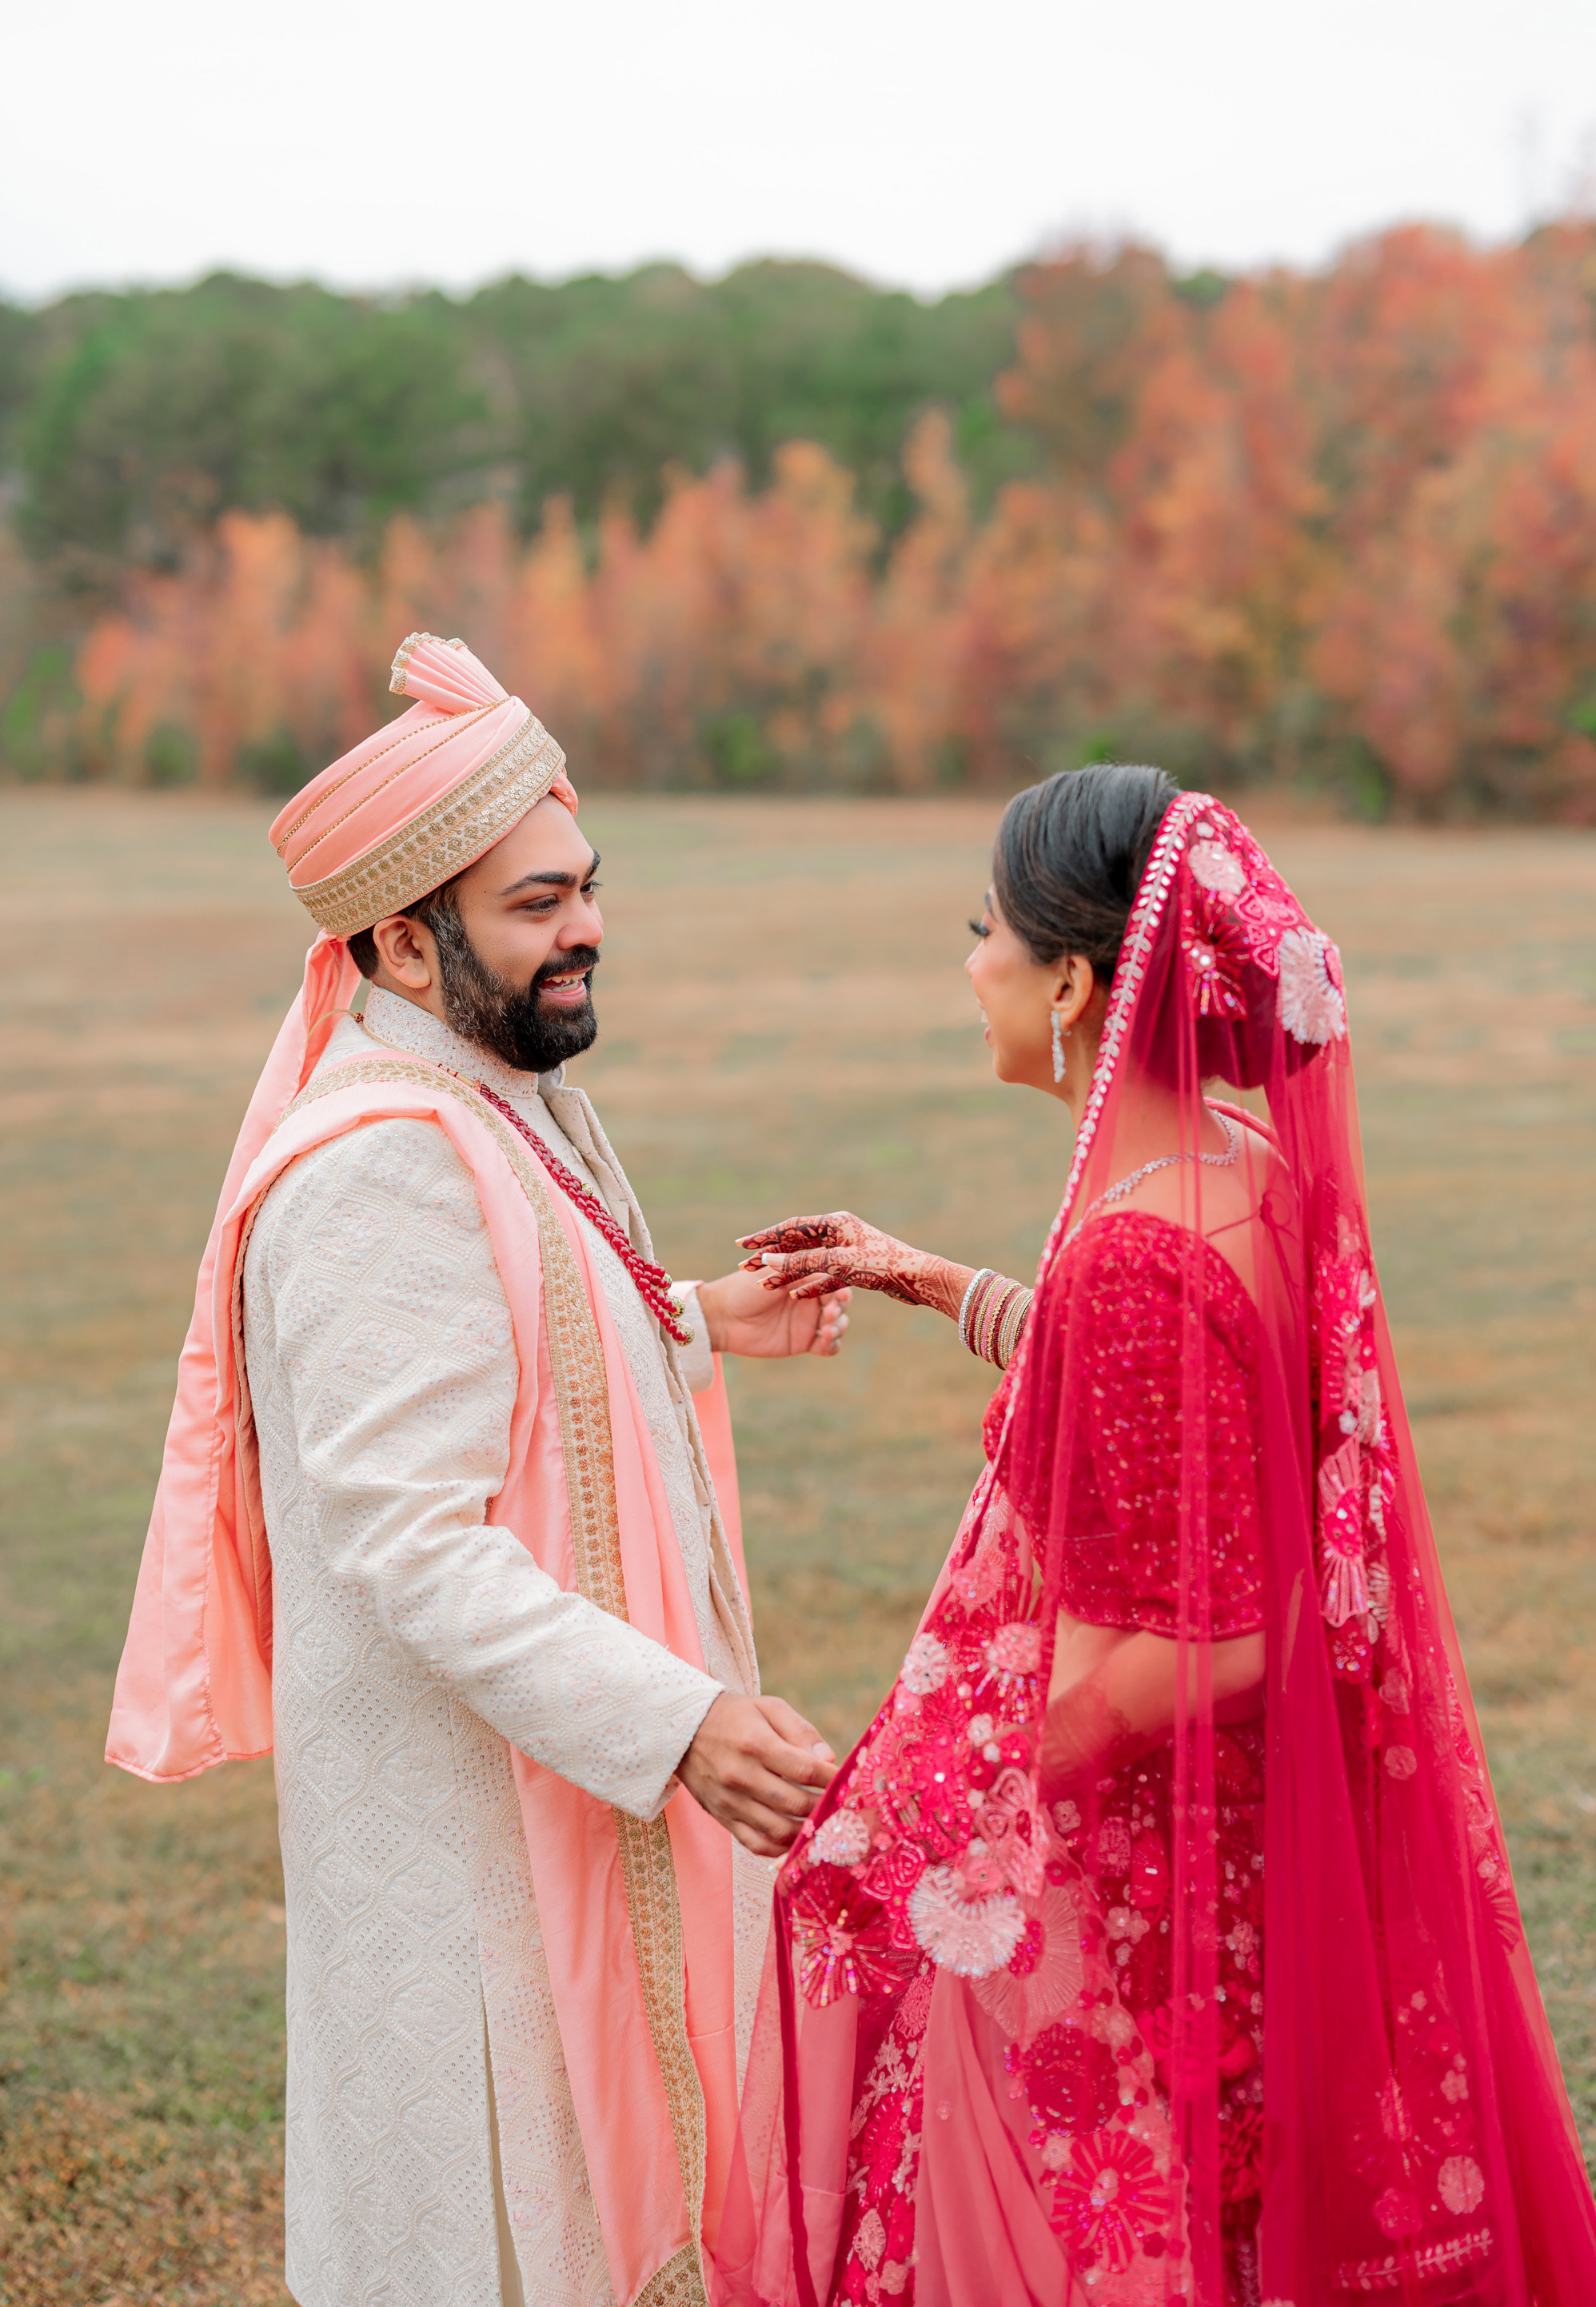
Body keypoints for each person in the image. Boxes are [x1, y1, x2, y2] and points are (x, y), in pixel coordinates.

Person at [716, 767, 1596, 2307]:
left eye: (982, 931)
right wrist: (935, 1281)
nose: (968, 966)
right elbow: (1160, 1428)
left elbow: (1218, 1639)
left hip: (1128, 1865)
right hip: (1233, 1838)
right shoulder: (1233, 1176)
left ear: (1067, 980)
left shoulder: (1137, 1249)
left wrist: (963, 1798)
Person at [106, 632, 852, 2307]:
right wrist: (677, 1722)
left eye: (582, 888)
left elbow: (530, 1327)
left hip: (544, 1808)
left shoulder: (491, 1093)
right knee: (497, 2233)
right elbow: (408, 1542)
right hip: (464, 1854)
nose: (582, 927)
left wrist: (696, 1319)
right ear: (398, 938)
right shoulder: (378, 1162)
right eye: (533, 906)